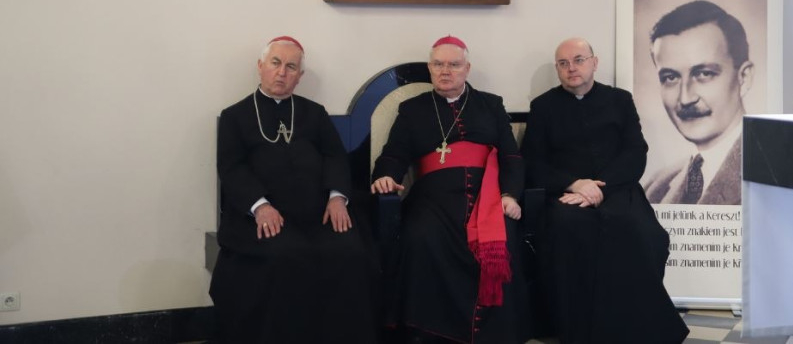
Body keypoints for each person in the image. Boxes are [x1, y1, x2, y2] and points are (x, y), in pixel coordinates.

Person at [209, 36, 377, 344]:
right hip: (263, 216)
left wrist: (337, 197)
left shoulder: (314, 113)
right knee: (287, 256)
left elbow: (335, 156)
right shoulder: (236, 116)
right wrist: (260, 206)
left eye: (290, 67)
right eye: (275, 63)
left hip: (318, 214)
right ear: (260, 66)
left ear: (299, 76)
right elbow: (231, 169)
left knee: (349, 252)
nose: (282, 72)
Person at [523, 38, 688, 344]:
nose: (572, 68)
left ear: (594, 63)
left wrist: (599, 187)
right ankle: (581, 332)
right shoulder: (544, 106)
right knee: (569, 230)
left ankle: (637, 330)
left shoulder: (619, 100)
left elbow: (636, 152)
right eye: (563, 63)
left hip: (617, 189)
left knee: (644, 235)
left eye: (579, 60)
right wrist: (575, 184)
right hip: (566, 195)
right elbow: (532, 162)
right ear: (558, 69)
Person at [371, 36, 527, 343]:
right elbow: (394, 155)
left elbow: (511, 156)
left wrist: (509, 195)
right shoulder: (412, 109)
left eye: (454, 65)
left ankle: (495, 333)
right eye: (438, 64)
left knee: (505, 236)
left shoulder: (491, 104)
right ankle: (429, 331)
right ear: (430, 68)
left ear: (467, 68)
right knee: (420, 236)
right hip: (433, 197)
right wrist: (386, 176)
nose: (445, 71)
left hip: (487, 196)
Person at [643, 0, 753, 206]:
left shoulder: (770, 174)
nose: (686, 98)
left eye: (704, 74)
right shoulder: (656, 188)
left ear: (744, 78)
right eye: (670, 77)